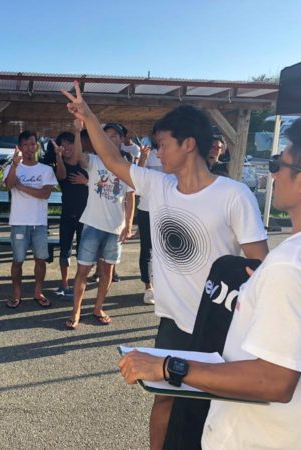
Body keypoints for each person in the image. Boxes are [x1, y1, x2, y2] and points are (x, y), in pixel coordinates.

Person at [62, 81, 268, 449]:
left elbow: (261, 266)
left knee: (219, 409)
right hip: (173, 322)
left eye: (162, 145)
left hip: (222, 325)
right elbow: (113, 160)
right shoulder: (158, 186)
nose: (157, 153)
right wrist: (88, 115)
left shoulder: (233, 195)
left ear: (188, 144)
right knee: (166, 402)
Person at [119, 117, 301, 450]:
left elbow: (274, 380)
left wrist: (168, 367)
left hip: (260, 438)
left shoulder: (290, 265)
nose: (273, 174)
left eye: (278, 164)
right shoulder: (293, 263)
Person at [65, 121, 135, 329]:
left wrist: (128, 225)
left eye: (114, 135)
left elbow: (130, 197)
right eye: (106, 136)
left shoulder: (127, 166)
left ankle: (98, 308)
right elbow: (78, 156)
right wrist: (77, 131)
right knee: (83, 270)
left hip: (115, 228)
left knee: (107, 271)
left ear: (122, 139)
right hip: (92, 224)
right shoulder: (95, 160)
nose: (110, 139)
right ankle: (76, 311)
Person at [3, 130, 58, 308]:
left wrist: (22, 186)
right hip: (18, 222)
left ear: (37, 146)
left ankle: (38, 292)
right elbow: (9, 185)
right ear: (19, 147)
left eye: (32, 144)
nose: (29, 148)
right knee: (17, 260)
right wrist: (14, 165)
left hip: (39, 223)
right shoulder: (12, 167)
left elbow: (45, 194)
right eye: (25, 145)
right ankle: (16, 294)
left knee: (40, 260)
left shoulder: (45, 169)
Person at [52, 126, 88, 297]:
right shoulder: (60, 165)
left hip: (85, 215)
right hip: (67, 214)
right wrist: (58, 157)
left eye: (69, 143)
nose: (66, 147)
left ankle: (78, 283)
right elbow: (61, 176)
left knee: (83, 252)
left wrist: (85, 181)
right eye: (62, 144)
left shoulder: (85, 164)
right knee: (64, 250)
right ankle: (64, 283)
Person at [136, 135, 163, 305]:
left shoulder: (175, 153)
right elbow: (137, 176)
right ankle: (148, 287)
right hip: (146, 208)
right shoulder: (147, 152)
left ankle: (164, 286)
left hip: (168, 208)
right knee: (147, 249)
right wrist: (143, 157)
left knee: (166, 250)